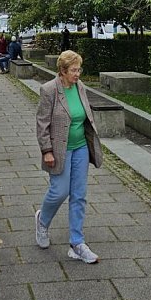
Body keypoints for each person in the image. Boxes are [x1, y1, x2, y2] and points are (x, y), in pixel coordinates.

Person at [35, 50, 103, 263]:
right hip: (59, 150)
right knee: (59, 191)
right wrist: (46, 150)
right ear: (62, 71)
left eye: (79, 69)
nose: (78, 74)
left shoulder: (79, 87)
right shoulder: (49, 90)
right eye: (73, 70)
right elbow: (42, 123)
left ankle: (77, 243)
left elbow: (85, 117)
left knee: (79, 195)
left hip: (81, 147)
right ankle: (42, 221)